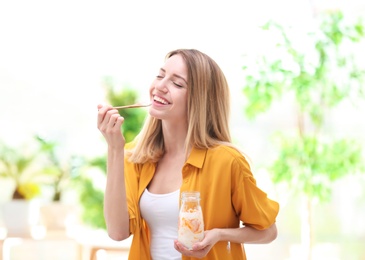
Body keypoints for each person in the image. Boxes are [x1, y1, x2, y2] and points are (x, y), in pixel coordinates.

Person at [97, 49, 279, 260]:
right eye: (160, 75)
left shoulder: (227, 161)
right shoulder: (135, 156)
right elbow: (118, 232)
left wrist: (219, 234)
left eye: (177, 83)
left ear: (199, 100)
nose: (160, 86)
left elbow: (268, 231)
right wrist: (115, 149)